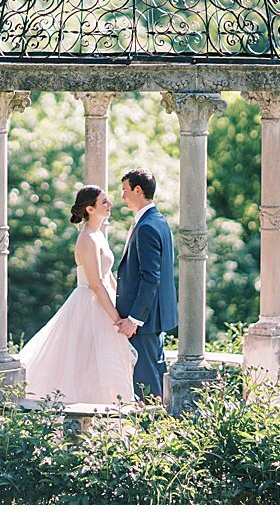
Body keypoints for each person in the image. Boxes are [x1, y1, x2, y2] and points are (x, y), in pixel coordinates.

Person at [17, 185, 137, 404]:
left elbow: (108, 275)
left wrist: (123, 303)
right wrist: (116, 319)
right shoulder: (87, 239)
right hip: (89, 304)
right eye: (104, 202)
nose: (109, 205)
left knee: (104, 363)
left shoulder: (99, 235)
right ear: (90, 209)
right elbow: (96, 284)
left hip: (104, 301)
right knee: (84, 361)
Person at [115, 168, 178, 400]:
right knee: (155, 374)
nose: (122, 197)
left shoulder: (147, 227)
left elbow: (151, 278)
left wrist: (134, 319)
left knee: (146, 384)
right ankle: (159, 430)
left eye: (125, 190)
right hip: (155, 318)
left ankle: (151, 432)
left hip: (146, 321)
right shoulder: (159, 221)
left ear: (138, 190)